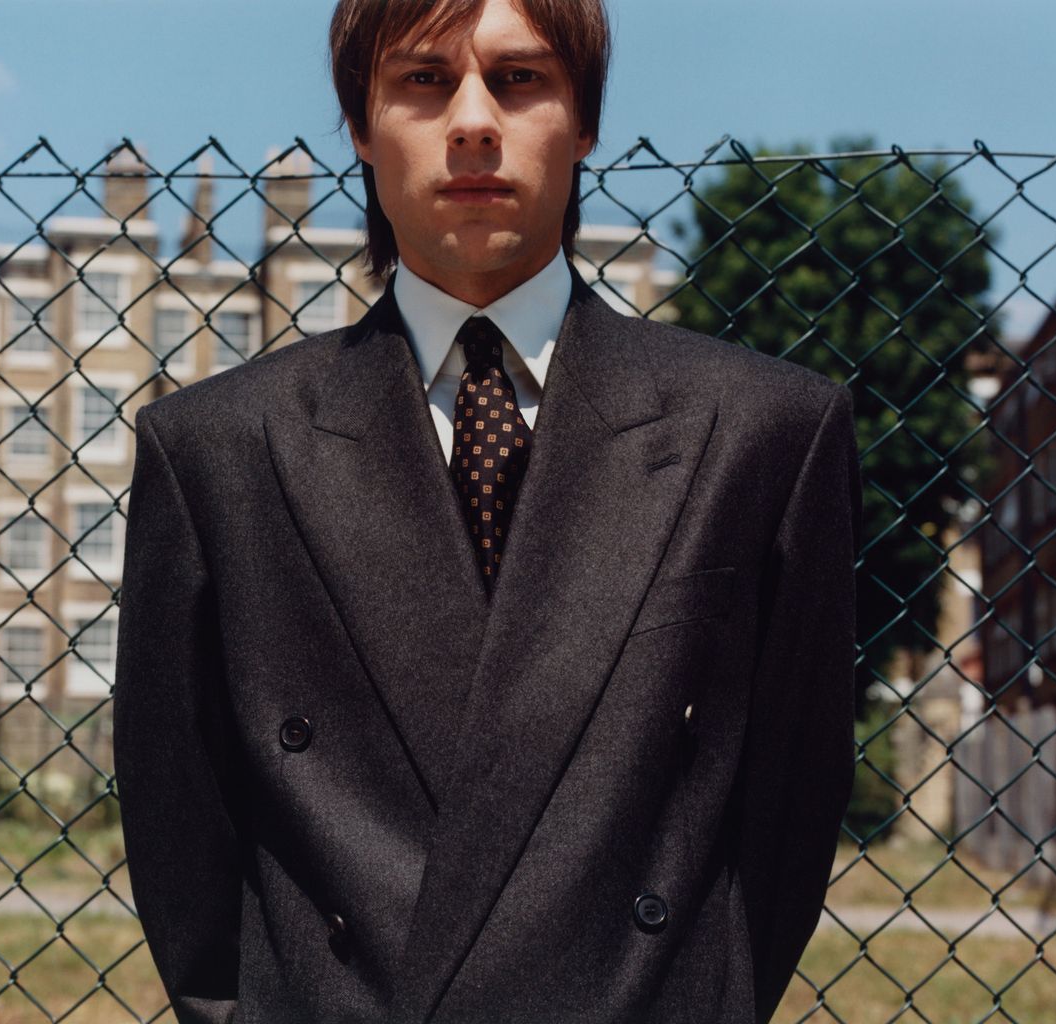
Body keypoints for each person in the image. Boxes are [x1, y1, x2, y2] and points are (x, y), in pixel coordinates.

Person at [111, 0, 862, 1021]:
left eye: (517, 80)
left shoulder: (766, 434)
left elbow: (788, 811)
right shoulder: (212, 451)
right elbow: (180, 843)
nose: (471, 121)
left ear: (584, 122)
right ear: (362, 128)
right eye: (423, 81)